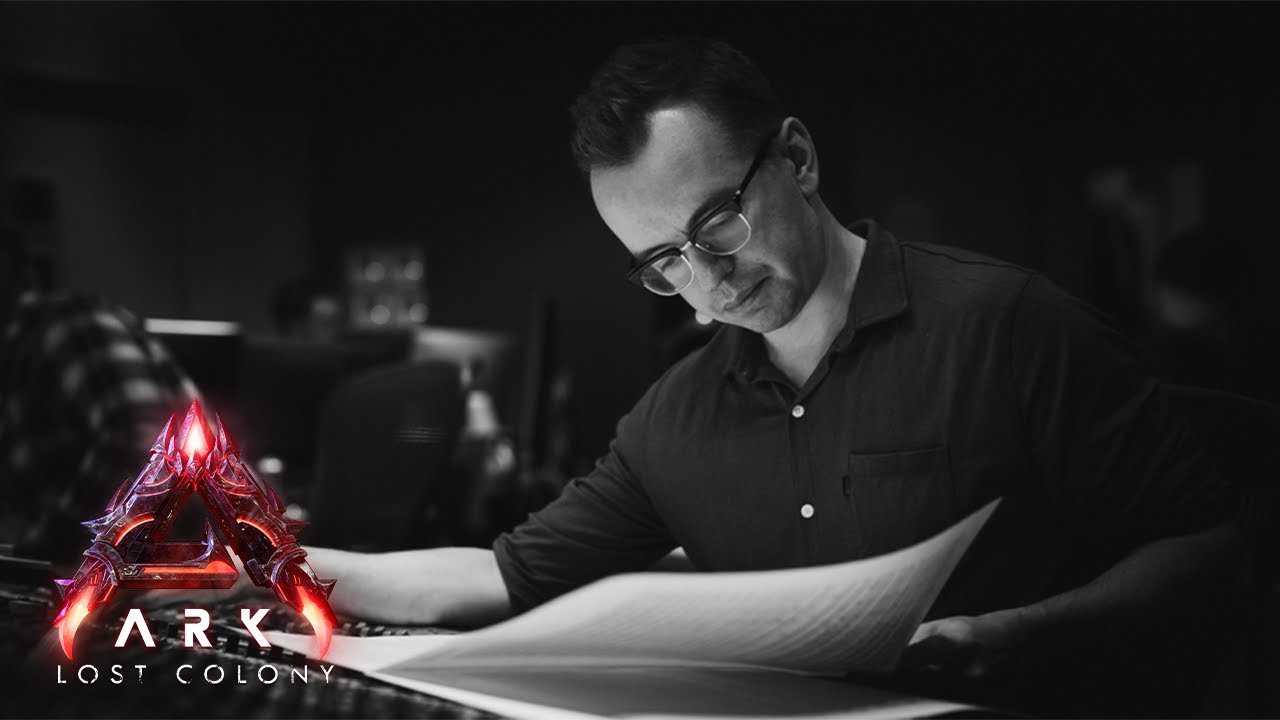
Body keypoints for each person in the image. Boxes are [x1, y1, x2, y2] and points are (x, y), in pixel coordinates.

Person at [293, 39, 1250, 715]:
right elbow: (505, 576)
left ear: (797, 157)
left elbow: (1208, 545)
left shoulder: (1007, 325)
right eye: (663, 261)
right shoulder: (674, 418)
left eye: (716, 225)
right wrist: (272, 563)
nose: (706, 281)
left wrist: (1025, 633)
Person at [0, 225, 199, 562]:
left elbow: (140, 431)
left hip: (157, 575)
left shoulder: (66, 324)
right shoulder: (16, 357)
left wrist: (50, 546)